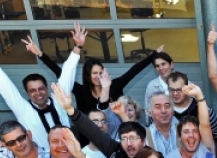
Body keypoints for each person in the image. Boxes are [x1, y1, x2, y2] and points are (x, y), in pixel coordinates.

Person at [0, 27, 78, 150]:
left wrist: (78, 46)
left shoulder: (59, 101)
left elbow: (68, 72)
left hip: (69, 153)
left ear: (46, 88)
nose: (38, 93)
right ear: (27, 93)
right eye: (32, 90)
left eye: (41, 88)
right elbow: (3, 81)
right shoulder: (23, 109)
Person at [25, 35, 158, 114]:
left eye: (101, 72)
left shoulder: (115, 85)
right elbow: (59, 71)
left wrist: (154, 56)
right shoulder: (81, 90)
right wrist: (40, 54)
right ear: (88, 75)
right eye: (94, 73)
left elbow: (134, 70)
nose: (98, 76)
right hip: (89, 138)